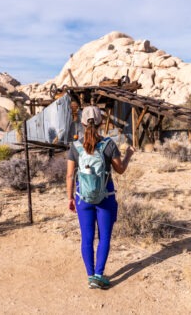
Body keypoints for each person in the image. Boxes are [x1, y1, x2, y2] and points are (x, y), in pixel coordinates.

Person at [66, 105, 134, 289]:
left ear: (81, 123)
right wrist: (128, 155)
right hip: (106, 197)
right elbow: (120, 170)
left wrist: (70, 198)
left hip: (83, 198)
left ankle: (90, 276)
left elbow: (70, 175)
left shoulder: (75, 146)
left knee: (87, 238)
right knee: (104, 237)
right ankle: (98, 274)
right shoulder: (108, 144)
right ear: (101, 123)